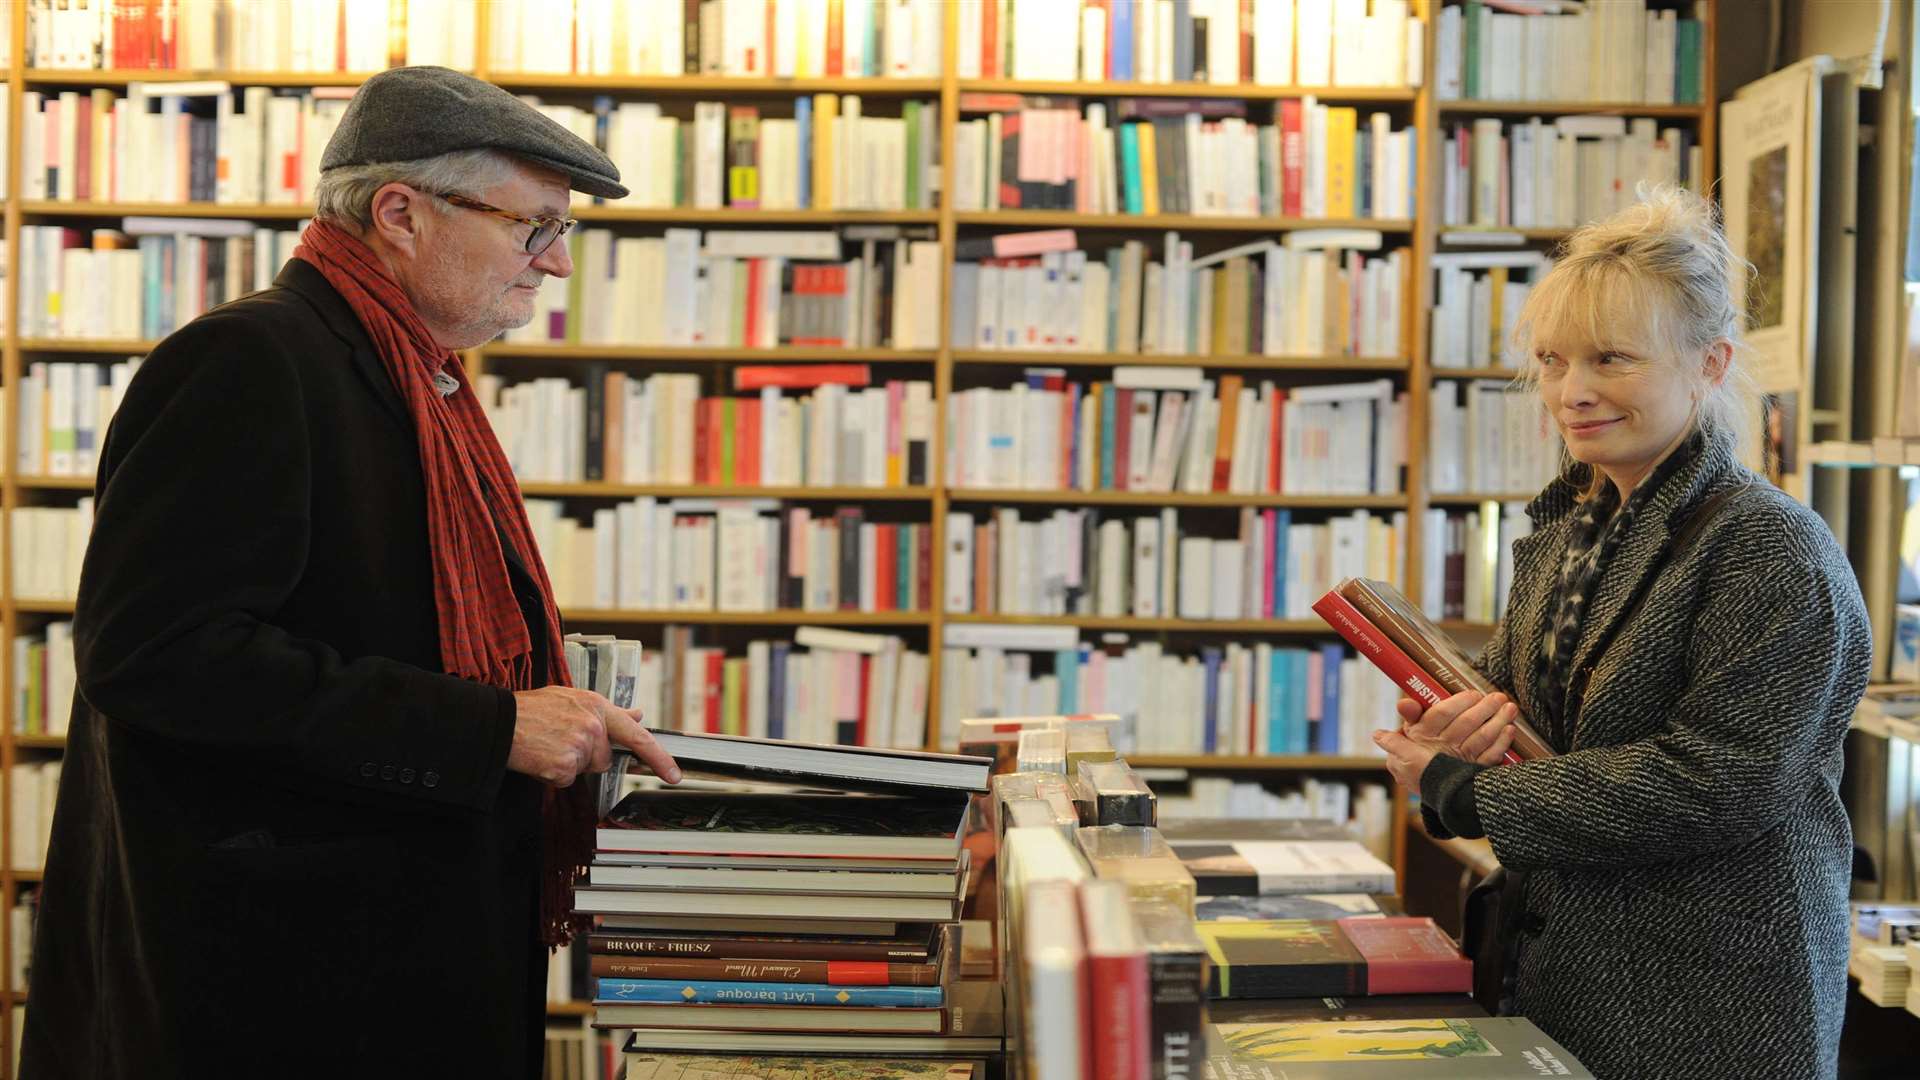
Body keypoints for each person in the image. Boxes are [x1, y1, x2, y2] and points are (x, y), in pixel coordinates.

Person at [22, 67, 682, 1079]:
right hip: (279, 986)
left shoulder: (414, 375)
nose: (554, 267)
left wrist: (558, 710)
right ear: (400, 211)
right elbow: (160, 657)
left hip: (384, 949)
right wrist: (495, 727)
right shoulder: (250, 362)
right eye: (534, 229)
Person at [1374, 187, 1870, 1080]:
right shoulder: (1575, 526)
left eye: (1612, 358)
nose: (1572, 391)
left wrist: (1469, 796)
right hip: (1560, 972)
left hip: (1709, 1002)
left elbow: (1719, 779)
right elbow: (1513, 710)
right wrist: (1445, 738)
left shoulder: (1769, 545)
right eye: (1553, 360)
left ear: (1709, 364)